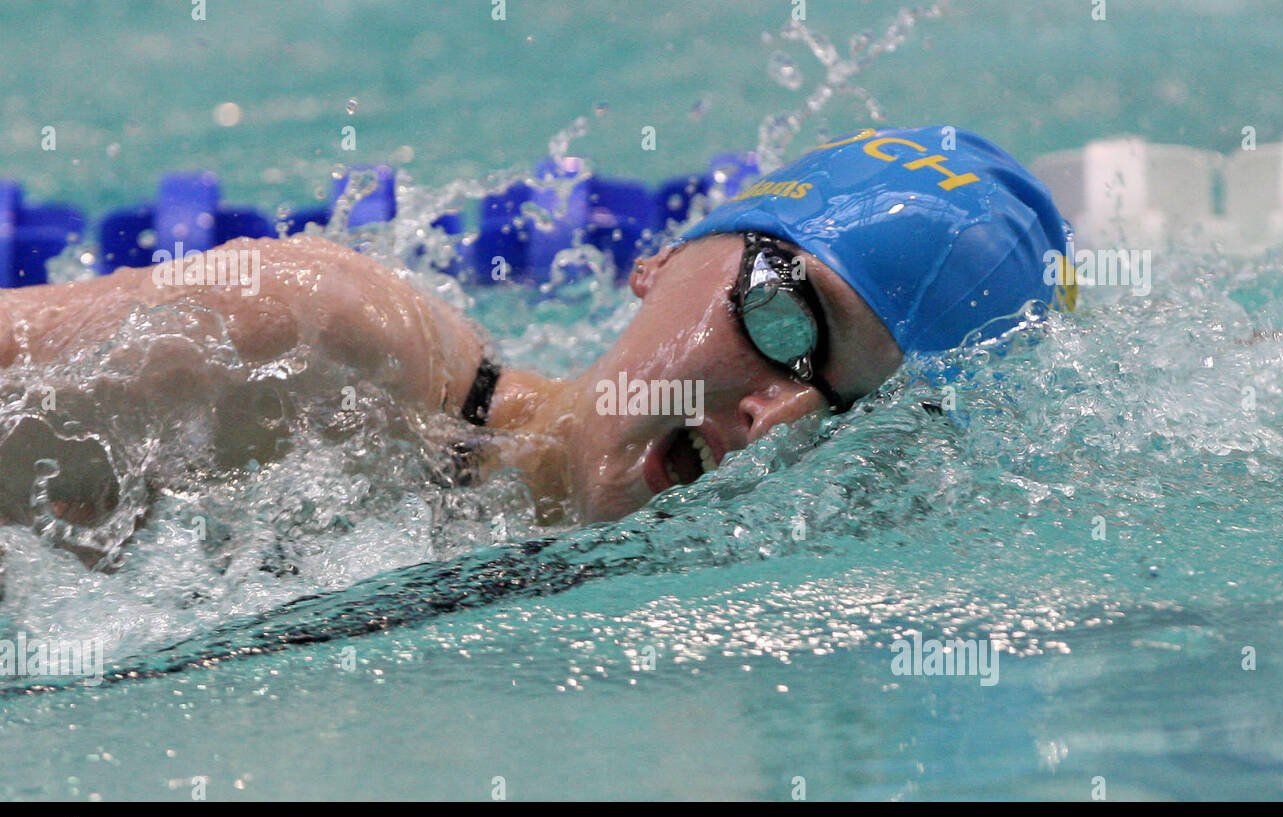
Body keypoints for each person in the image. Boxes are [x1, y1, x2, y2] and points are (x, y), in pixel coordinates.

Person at [0, 125, 1073, 540]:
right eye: (787, 317)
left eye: (852, 410)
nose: (776, 416)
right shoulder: (311, 344)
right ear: (661, 257)